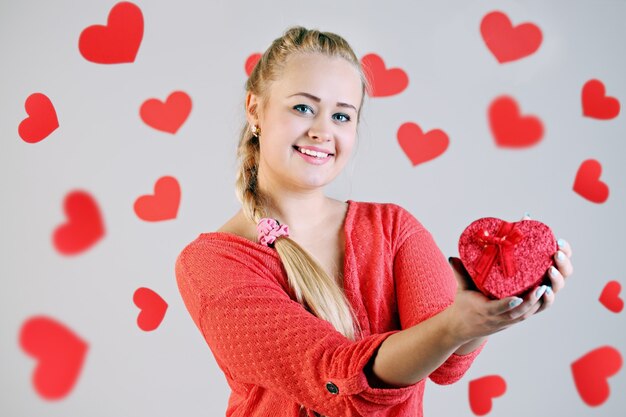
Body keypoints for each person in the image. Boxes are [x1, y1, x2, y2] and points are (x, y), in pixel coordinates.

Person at [175, 26, 574, 417]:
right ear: (255, 109)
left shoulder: (393, 228)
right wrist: (456, 325)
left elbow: (447, 364)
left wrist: (482, 316)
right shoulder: (210, 264)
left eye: (342, 116)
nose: (321, 131)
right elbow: (333, 378)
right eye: (302, 108)